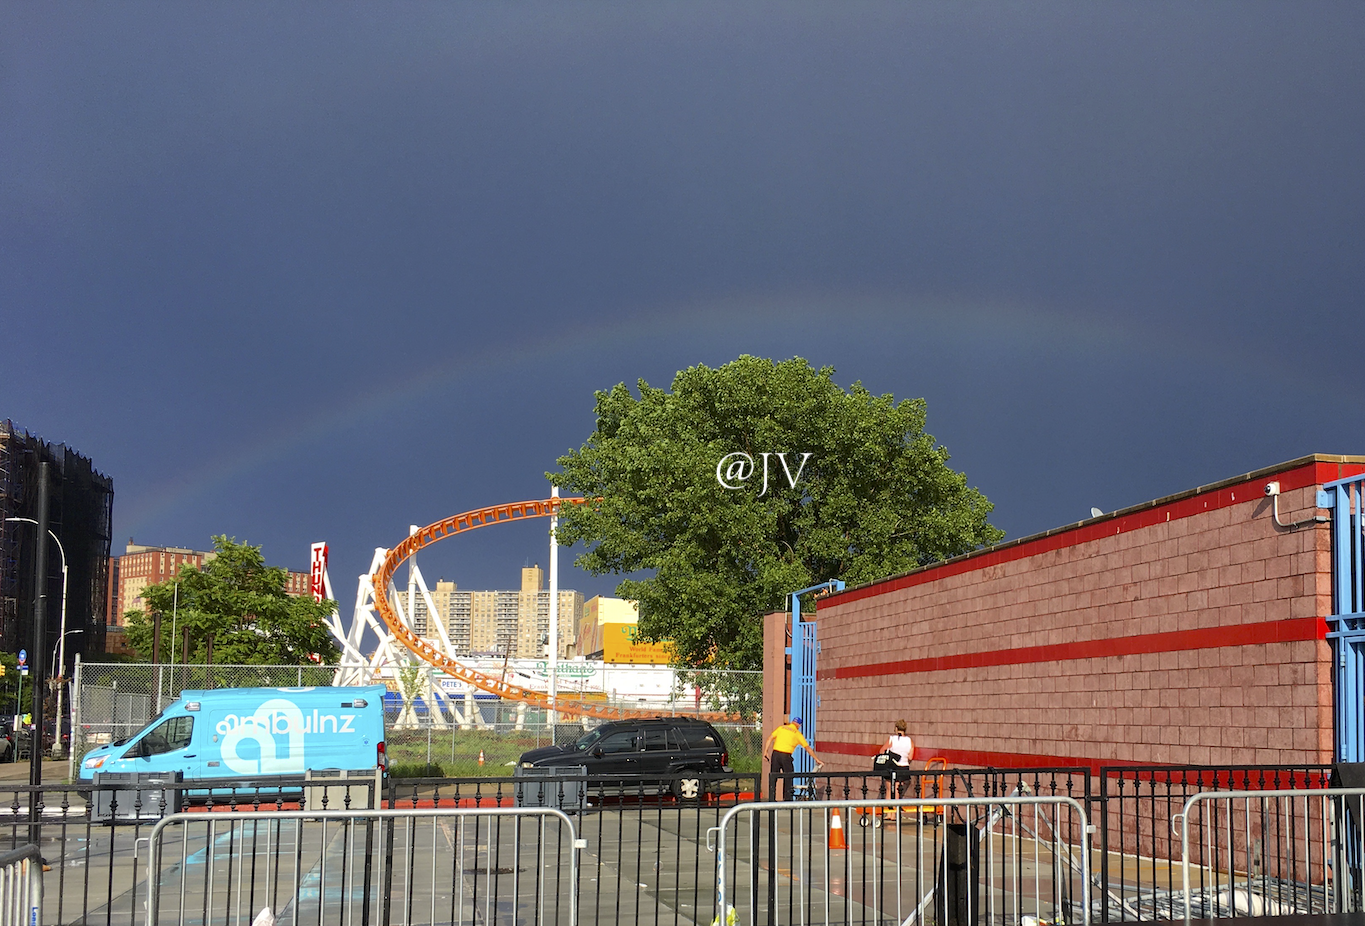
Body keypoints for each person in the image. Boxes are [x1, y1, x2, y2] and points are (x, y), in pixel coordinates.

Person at [763, 716, 824, 800]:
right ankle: (787, 799)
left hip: (775, 754)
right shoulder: (797, 734)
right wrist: (817, 759)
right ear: (799, 725)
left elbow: (770, 738)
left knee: (773, 776)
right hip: (786, 756)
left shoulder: (781, 728)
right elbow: (808, 748)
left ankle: (771, 799)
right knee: (789, 776)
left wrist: (765, 751)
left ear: (792, 722)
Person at [881, 719, 914, 797]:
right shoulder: (910, 741)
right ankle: (897, 807)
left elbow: (882, 751)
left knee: (889, 789)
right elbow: (910, 757)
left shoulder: (892, 739)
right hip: (904, 767)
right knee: (898, 789)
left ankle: (888, 806)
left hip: (892, 766)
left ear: (896, 728)